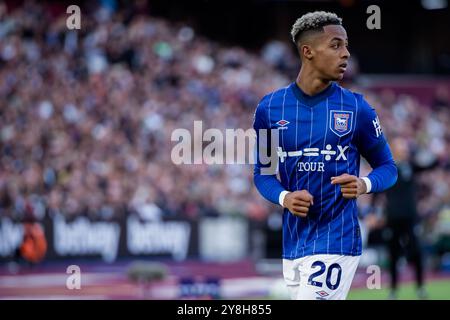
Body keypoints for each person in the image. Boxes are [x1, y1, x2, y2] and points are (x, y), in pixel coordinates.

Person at [253, 11, 398, 300]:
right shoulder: (270, 109)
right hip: (294, 244)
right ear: (308, 52)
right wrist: (285, 198)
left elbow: (388, 167)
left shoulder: (357, 108)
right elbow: (264, 174)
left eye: (346, 45)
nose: (346, 54)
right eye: (335, 45)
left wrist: (364, 184)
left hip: (337, 239)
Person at [381, 137, 438, 299]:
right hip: (392, 218)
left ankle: (420, 287)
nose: (404, 149)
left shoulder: (411, 166)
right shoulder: (387, 167)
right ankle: (393, 290)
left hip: (410, 218)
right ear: (393, 149)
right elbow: (376, 192)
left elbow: (431, 163)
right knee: (393, 255)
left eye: (405, 146)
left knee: (417, 252)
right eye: (400, 147)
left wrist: (425, 146)